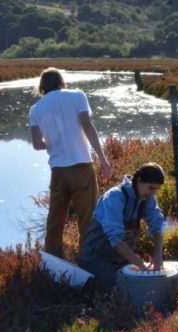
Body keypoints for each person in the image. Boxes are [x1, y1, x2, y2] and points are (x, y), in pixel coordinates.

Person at [29, 67, 113, 260]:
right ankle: (88, 260)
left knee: (55, 220)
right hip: (81, 166)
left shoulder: (35, 109)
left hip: (58, 170)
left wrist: (53, 141)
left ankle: (52, 262)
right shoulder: (77, 96)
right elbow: (87, 125)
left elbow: (36, 144)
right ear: (61, 81)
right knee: (87, 218)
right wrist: (103, 158)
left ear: (42, 87)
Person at [79, 163, 166, 292]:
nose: (152, 193)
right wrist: (140, 264)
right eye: (150, 188)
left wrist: (158, 255)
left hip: (121, 258)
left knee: (137, 287)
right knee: (114, 290)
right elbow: (117, 241)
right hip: (96, 256)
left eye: (156, 190)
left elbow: (157, 226)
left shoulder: (147, 198)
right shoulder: (115, 197)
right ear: (139, 181)